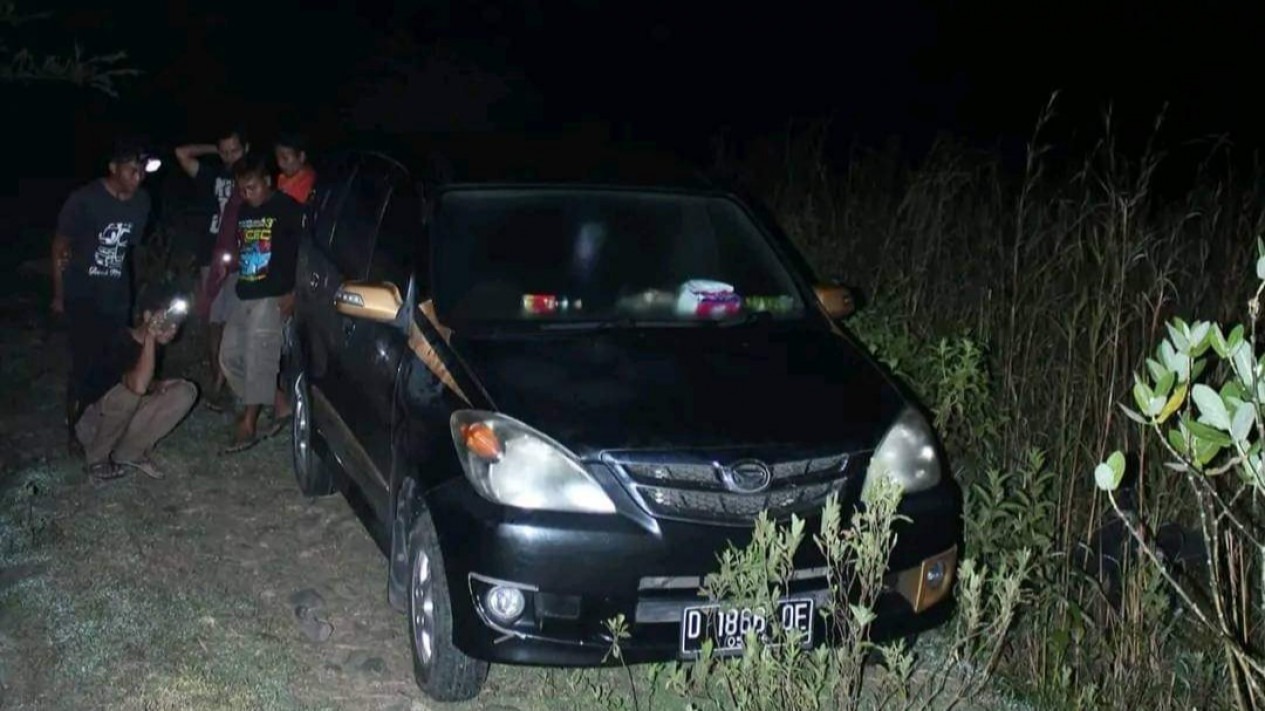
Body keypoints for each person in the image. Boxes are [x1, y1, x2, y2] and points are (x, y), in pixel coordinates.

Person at [51, 137, 154, 452]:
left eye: (141, 172)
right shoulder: (84, 200)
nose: (138, 178)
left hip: (116, 296)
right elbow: (59, 246)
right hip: (82, 293)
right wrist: (59, 294)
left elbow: (128, 251)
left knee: (114, 361)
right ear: (114, 168)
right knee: (84, 364)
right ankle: (75, 431)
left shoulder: (141, 202)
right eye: (131, 171)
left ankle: (106, 428)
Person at [219, 153, 301, 452]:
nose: (247, 194)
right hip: (247, 291)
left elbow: (303, 254)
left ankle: (249, 423)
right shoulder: (243, 211)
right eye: (242, 189)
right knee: (229, 358)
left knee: (260, 358)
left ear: (268, 181)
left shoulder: (289, 210)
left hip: (273, 296)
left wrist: (295, 292)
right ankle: (280, 403)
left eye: (252, 187)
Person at [74, 284, 197, 481]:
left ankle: (128, 453)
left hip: (119, 420)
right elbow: (133, 386)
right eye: (168, 320)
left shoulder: (154, 347)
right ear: (148, 317)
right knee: (127, 394)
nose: (173, 328)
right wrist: (150, 336)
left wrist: (159, 385)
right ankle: (97, 459)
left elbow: (143, 384)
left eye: (177, 323)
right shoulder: (118, 338)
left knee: (185, 391)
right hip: (91, 425)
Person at [174, 129, 249, 403]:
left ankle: (229, 380)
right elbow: (181, 153)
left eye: (235, 150)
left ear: (246, 148)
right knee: (213, 321)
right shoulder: (211, 175)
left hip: (241, 260)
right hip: (210, 256)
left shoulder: (252, 178)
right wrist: (213, 147)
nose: (230, 157)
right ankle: (217, 376)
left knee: (235, 321)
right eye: (225, 151)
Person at [275, 132, 317, 205]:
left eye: (285, 158)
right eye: (277, 158)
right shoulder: (281, 178)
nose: (280, 163)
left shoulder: (310, 185)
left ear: (301, 156)